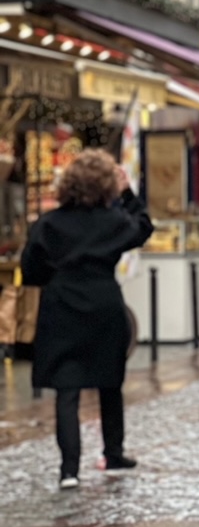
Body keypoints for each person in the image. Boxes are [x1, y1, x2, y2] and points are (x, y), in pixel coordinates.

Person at [21, 149, 154, 489]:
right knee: (110, 382)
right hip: (104, 305)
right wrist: (127, 195)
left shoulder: (48, 223)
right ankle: (113, 452)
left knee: (68, 391)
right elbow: (142, 227)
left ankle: (69, 470)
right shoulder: (113, 222)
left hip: (61, 307)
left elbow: (30, 269)